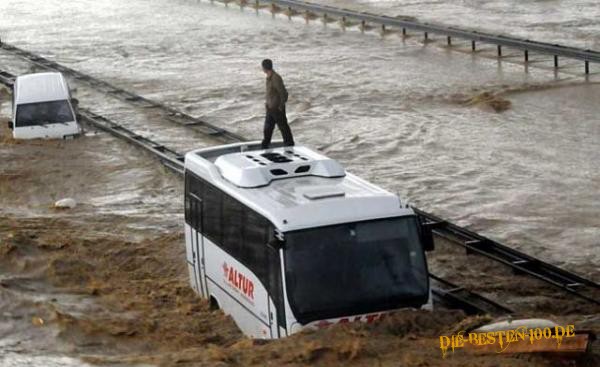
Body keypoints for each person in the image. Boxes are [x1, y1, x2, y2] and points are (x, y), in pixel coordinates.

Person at [261, 59, 294, 149]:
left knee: (283, 128)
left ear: (264, 68)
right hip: (270, 108)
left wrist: (280, 106)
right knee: (268, 128)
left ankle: (289, 145)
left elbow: (283, 93)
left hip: (276, 109)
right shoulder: (269, 77)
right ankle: (265, 145)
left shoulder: (276, 78)